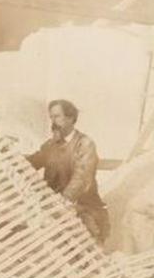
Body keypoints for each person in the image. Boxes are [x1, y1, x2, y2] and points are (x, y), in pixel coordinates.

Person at [27, 99, 109, 242]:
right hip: (54, 209)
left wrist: (63, 201)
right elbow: (32, 162)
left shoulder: (84, 144)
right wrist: (7, 154)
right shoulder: (50, 145)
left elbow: (81, 178)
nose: (53, 121)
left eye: (57, 117)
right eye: (51, 117)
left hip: (83, 207)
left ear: (70, 118)